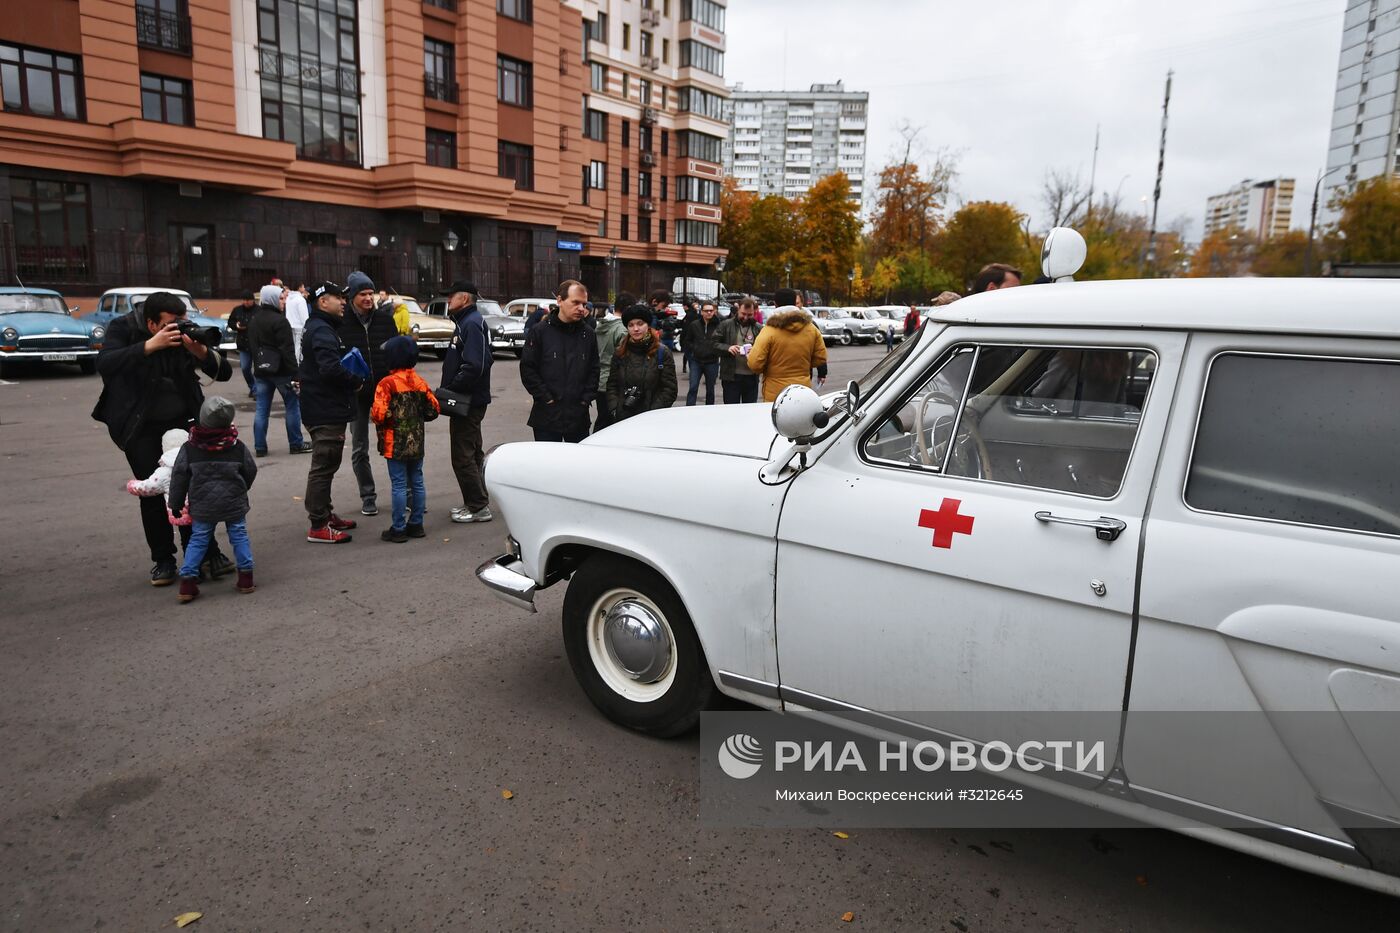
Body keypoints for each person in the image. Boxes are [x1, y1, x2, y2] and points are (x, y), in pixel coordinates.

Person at [94, 290, 234, 586]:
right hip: (139, 424)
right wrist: (148, 347)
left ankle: (205, 554)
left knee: (193, 490)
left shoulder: (182, 334)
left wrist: (201, 353)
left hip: (183, 422)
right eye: (173, 322)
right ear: (152, 324)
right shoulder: (124, 328)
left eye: (183, 320)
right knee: (154, 492)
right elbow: (105, 363)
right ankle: (163, 560)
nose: (180, 326)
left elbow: (223, 374)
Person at [168, 397, 258, 603]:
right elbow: (250, 470)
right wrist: (242, 487)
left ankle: (188, 582)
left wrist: (175, 504)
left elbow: (180, 477)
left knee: (198, 539)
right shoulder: (237, 446)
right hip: (234, 502)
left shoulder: (190, 448)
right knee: (239, 535)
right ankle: (246, 578)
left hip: (203, 505)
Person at [298, 281, 363, 543]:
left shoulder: (319, 327)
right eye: (339, 297)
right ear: (323, 301)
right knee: (324, 467)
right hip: (325, 409)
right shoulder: (322, 330)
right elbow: (330, 369)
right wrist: (355, 381)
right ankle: (318, 524)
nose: (344, 302)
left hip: (321, 406)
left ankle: (325, 513)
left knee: (327, 465)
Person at [339, 270, 398, 516]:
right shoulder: (341, 322)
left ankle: (403, 494)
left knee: (395, 447)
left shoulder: (385, 320)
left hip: (386, 394)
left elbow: (397, 352)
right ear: (352, 296)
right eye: (362, 293)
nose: (368, 298)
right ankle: (368, 496)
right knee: (359, 448)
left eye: (370, 293)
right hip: (357, 396)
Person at [371, 335, 440, 542]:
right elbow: (434, 409)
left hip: (395, 443)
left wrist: (388, 416)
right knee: (417, 481)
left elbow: (378, 414)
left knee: (399, 484)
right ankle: (416, 524)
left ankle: (398, 527)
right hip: (416, 442)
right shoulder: (419, 381)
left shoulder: (387, 384)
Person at [437, 280, 494, 524]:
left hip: (467, 401)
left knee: (463, 456)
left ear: (465, 299)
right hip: (468, 399)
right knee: (472, 452)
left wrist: (451, 389)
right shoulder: (466, 322)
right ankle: (477, 500)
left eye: (452, 296)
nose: (448, 300)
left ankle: (478, 506)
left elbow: (475, 365)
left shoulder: (471, 324)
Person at [519, 279, 599, 443]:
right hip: (546, 417)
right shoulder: (540, 331)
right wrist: (546, 398)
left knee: (577, 465)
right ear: (560, 300)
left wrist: (585, 400)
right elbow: (528, 369)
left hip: (578, 417)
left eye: (584, 304)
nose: (581, 309)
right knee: (547, 466)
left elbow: (594, 369)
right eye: (575, 302)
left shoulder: (588, 334)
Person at [249, 283, 311, 458]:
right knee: (292, 406)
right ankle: (296, 443)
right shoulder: (280, 321)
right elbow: (287, 350)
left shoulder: (254, 319)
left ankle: (260, 446)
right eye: (281, 298)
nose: (284, 302)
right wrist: (296, 373)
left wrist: (259, 364)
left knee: (262, 409)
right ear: (272, 299)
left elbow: (253, 346)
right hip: (282, 371)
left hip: (262, 371)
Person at [745, 304, 829, 403]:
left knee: (775, 416)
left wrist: (750, 356)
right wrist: (803, 364)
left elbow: (755, 364)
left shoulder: (769, 330)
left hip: (776, 391)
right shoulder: (811, 329)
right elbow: (821, 358)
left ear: (776, 304)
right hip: (802, 388)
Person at [607, 305, 677, 421]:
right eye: (631, 325)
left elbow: (669, 389)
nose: (635, 329)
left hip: (652, 419)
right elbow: (612, 385)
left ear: (648, 325)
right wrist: (615, 408)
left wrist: (652, 414)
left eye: (640, 324)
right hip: (623, 417)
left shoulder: (662, 352)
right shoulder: (620, 352)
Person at [592, 293, 630, 431]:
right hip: (613, 381)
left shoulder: (601, 324)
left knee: (602, 418)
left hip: (599, 378)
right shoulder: (621, 329)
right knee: (610, 422)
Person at [716, 296, 762, 404]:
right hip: (731, 377)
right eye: (743, 314)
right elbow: (713, 344)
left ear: (754, 312)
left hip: (751, 377)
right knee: (731, 410)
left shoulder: (759, 328)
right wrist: (728, 348)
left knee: (749, 410)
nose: (746, 317)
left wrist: (755, 352)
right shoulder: (726, 325)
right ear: (738, 310)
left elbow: (765, 350)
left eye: (749, 315)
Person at [683, 300, 724, 406]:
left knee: (710, 389)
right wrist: (694, 349)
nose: (709, 313)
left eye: (711, 310)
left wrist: (716, 351)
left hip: (712, 361)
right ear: (701, 312)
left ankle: (709, 410)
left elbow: (722, 341)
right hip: (696, 361)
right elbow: (687, 340)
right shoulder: (694, 325)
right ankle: (689, 409)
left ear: (714, 311)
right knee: (693, 387)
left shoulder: (718, 325)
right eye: (706, 311)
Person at [227, 291, 257, 396]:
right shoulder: (237, 310)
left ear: (253, 300)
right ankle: (252, 386)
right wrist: (236, 325)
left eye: (248, 300)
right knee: (245, 368)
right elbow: (230, 322)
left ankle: (256, 390)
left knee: (258, 369)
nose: (245, 302)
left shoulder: (259, 310)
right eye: (244, 300)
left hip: (256, 344)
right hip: (243, 344)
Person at [285, 282, 310, 363]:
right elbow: (304, 315)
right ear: (299, 288)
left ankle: (292, 362)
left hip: (290, 324)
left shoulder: (288, 298)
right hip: (299, 326)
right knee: (298, 346)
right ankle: (297, 364)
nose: (304, 288)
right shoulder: (300, 300)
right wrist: (306, 326)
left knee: (292, 346)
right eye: (303, 286)